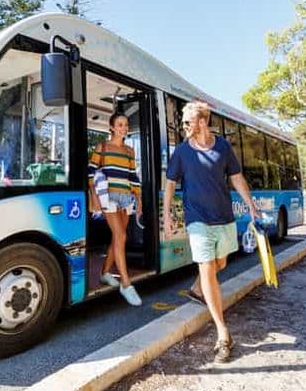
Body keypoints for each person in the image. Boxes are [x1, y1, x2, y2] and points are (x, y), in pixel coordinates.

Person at [163, 101, 259, 363]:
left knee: (220, 262)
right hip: (197, 219)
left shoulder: (223, 147)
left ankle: (197, 288)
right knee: (207, 267)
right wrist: (168, 215)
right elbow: (170, 184)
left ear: (202, 122)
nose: (183, 126)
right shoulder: (182, 152)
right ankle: (223, 333)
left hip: (224, 218)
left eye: (187, 122)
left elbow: (236, 178)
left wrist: (250, 203)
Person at [88, 112, 144, 306]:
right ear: (111, 127)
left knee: (117, 238)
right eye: (120, 124)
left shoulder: (130, 151)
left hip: (126, 197)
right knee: (121, 236)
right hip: (108, 197)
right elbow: (90, 173)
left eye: (126, 125)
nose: (124, 128)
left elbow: (133, 176)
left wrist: (139, 199)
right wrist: (94, 197)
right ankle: (126, 284)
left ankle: (104, 273)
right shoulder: (102, 147)